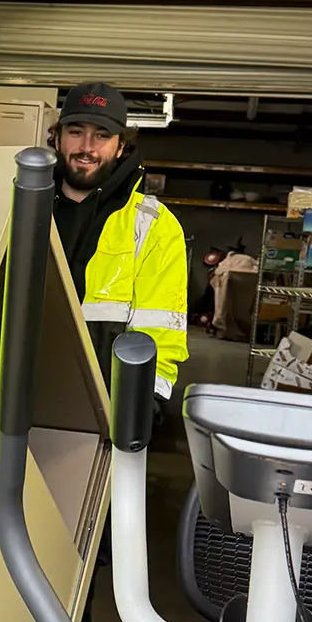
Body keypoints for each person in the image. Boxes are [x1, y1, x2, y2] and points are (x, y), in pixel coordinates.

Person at [50, 82, 189, 403]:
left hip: (105, 400)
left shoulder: (154, 224)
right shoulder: (21, 205)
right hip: (11, 391)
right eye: (76, 132)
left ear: (120, 147)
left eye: (101, 135)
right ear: (57, 138)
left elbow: (161, 327)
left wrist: (146, 399)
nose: (87, 147)